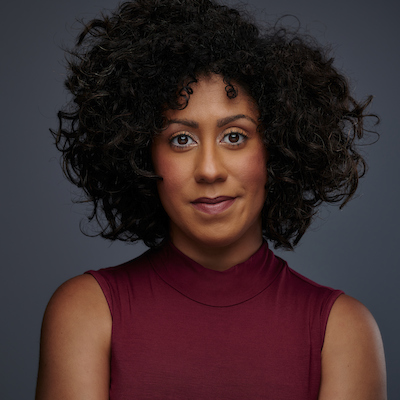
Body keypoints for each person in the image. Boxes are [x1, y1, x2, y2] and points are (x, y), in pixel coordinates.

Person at [36, 0, 387, 399]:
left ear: (277, 147)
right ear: (142, 154)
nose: (209, 169)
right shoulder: (87, 312)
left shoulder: (341, 330)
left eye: (234, 136)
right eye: (180, 139)